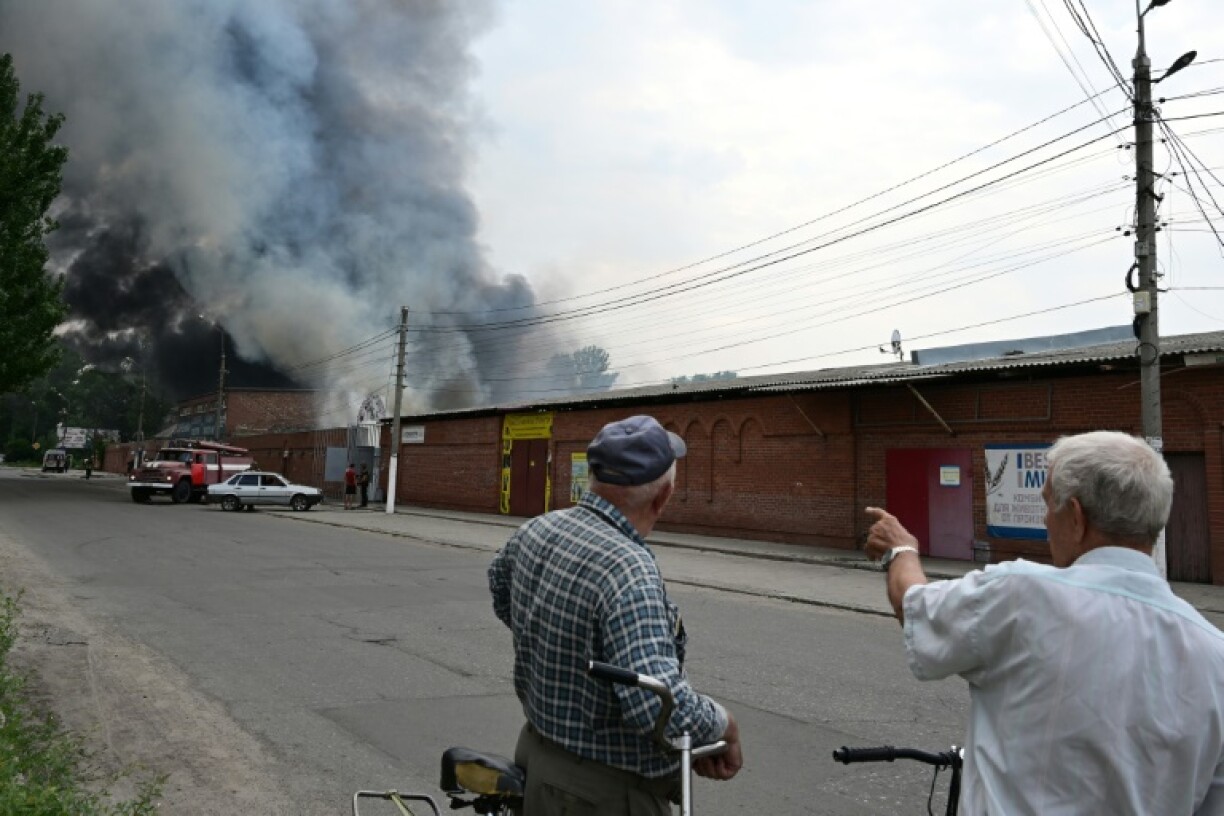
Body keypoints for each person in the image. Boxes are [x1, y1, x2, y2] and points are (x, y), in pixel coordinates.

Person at [863, 430, 1224, 815]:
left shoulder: (1020, 596)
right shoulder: (1215, 655)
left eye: (1049, 505)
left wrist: (901, 550)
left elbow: (915, 607)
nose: (1046, 520)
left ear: (1077, 518)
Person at [489, 415, 743, 815]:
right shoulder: (628, 570)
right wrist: (724, 724)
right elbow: (656, 706)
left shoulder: (536, 530)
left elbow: (501, 592)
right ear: (663, 497)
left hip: (536, 759)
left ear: (592, 477)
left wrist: (561, 646)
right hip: (601, 793)